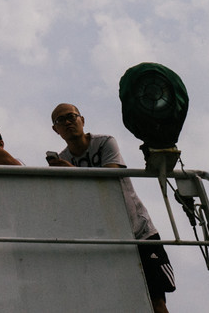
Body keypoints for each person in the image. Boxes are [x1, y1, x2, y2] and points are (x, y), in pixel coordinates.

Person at [48, 103, 174, 313]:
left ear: (82, 120)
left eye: (71, 116)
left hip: (140, 232)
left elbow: (110, 179)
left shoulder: (105, 142)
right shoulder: (63, 159)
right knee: (119, 302)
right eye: (61, 120)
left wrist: (72, 172)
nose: (68, 122)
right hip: (105, 238)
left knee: (156, 302)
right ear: (56, 129)